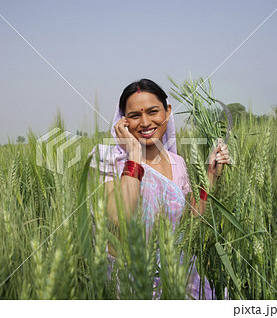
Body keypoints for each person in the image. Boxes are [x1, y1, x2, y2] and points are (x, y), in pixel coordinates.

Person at [90, 78, 230, 299]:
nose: (145, 122)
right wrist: (134, 157)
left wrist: (210, 175)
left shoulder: (177, 163)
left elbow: (188, 220)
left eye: (153, 112)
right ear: (123, 122)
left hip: (175, 273)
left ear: (168, 112)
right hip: (127, 282)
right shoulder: (108, 160)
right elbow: (120, 218)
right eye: (135, 116)